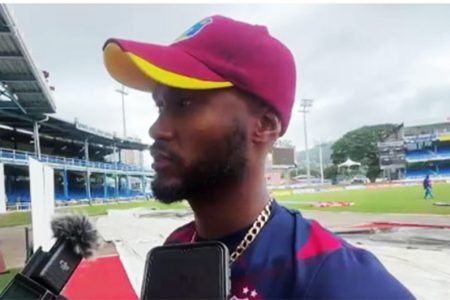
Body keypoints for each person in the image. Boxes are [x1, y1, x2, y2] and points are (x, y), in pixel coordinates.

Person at [103, 15, 414, 299]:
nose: (157, 129)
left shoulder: (330, 273)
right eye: (160, 106)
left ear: (265, 126)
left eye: (184, 104)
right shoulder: (175, 249)